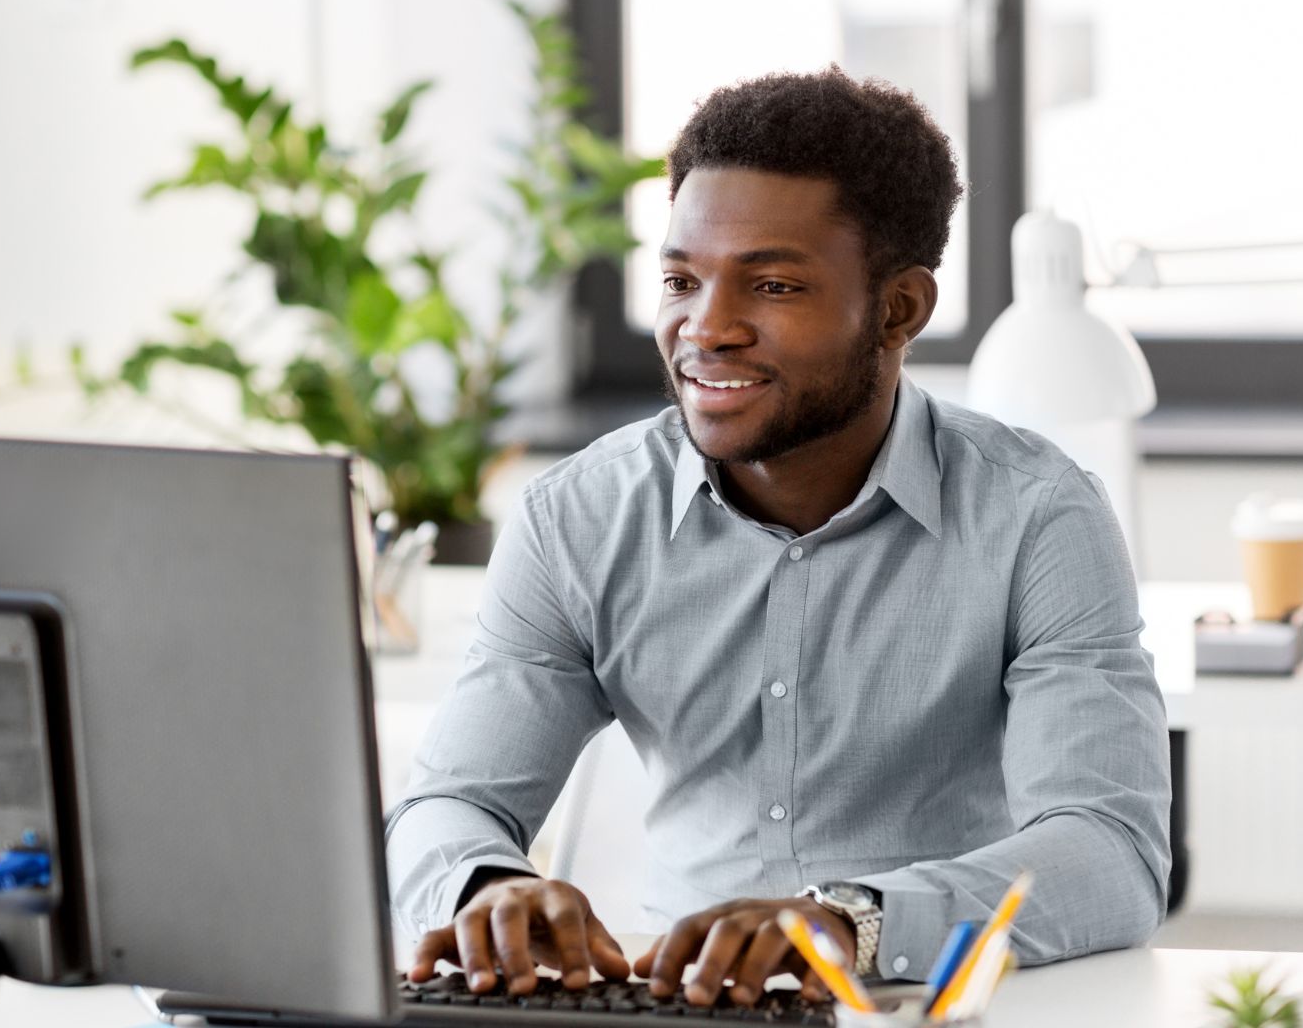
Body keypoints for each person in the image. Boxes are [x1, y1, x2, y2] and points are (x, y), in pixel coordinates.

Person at [386, 66, 1170, 1008]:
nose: (704, 329)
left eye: (771, 284)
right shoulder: (579, 518)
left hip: (936, 1003)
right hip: (671, 1008)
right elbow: (447, 803)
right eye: (681, 280)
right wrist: (486, 887)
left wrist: (848, 922)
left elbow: (1108, 851)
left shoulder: (1038, 517)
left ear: (899, 309)